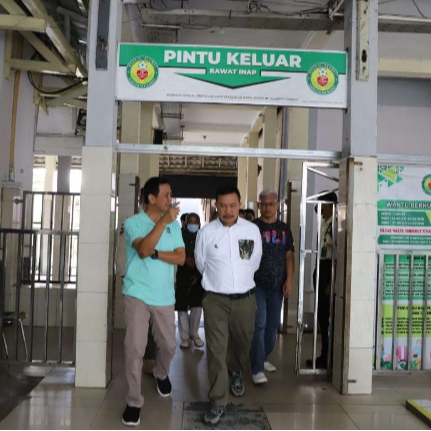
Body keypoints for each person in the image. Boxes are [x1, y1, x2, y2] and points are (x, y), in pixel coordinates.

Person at [195, 186, 263, 426]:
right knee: (216, 351)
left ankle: (236, 371)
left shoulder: (252, 230)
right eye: (223, 205)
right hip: (216, 300)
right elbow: (201, 264)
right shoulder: (206, 233)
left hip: (245, 299)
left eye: (232, 205)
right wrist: (220, 282)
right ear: (216, 206)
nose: (228, 210)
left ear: (239, 205)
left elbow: (254, 262)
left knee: (243, 342)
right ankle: (218, 400)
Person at [121, 177, 186, 427]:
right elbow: (142, 250)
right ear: (151, 198)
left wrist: (158, 253)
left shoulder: (174, 226)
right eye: (166, 195)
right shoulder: (133, 223)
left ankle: (161, 372)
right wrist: (162, 222)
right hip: (136, 293)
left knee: (169, 345)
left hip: (164, 295)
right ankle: (133, 402)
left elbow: (180, 258)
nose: (171, 199)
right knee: (134, 349)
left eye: (171, 194)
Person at [251, 190, 295, 384]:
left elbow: (289, 255)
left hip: (277, 285)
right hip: (256, 284)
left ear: (277, 205)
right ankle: (257, 369)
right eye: (264, 204)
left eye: (271, 203)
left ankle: (263, 357)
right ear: (259, 205)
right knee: (259, 324)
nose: (267, 207)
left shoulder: (284, 229)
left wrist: (289, 280)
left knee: (272, 327)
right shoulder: (252, 227)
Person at [306, 191, 338, 370]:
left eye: (322, 205)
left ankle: (329, 357)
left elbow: (339, 256)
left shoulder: (336, 225)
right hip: (321, 269)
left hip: (329, 272)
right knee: (322, 317)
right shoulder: (326, 223)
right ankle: (324, 355)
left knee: (327, 318)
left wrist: (332, 282)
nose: (319, 209)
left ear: (330, 205)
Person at [175, 213, 205, 349]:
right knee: (182, 307)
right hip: (182, 274)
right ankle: (185, 337)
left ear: (199, 223)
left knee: (196, 307)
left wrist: (198, 274)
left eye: (195, 221)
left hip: (198, 276)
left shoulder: (202, 236)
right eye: (190, 221)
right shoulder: (179, 236)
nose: (193, 224)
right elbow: (175, 253)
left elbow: (206, 256)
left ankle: (194, 333)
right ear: (186, 224)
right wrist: (185, 259)